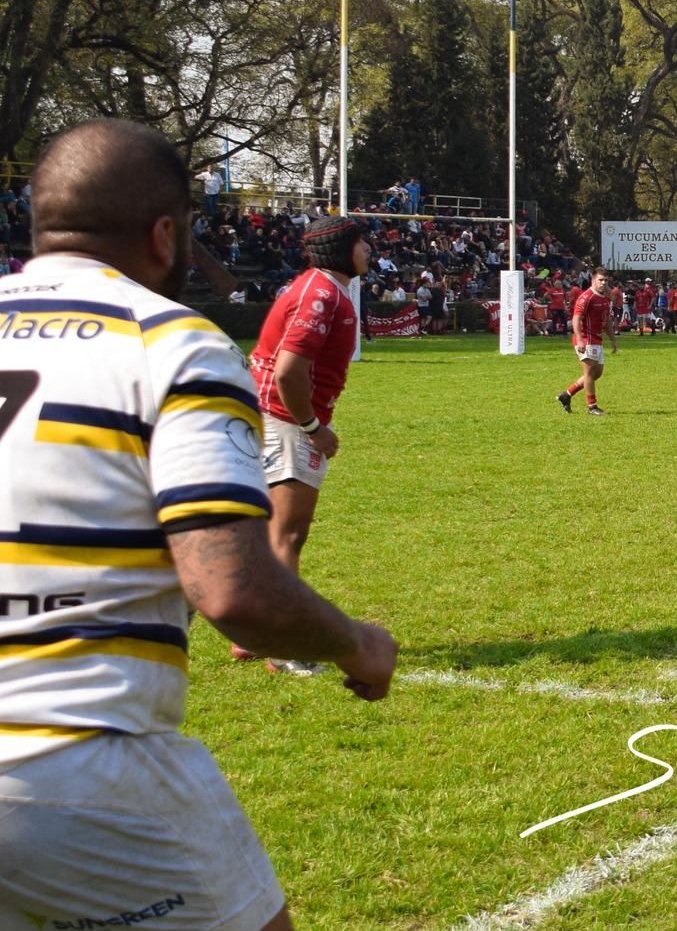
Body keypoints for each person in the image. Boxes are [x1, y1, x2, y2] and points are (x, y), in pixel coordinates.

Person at [0, 119, 395, 928]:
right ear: (165, 232)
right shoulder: (169, 342)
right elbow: (231, 586)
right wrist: (358, 642)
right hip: (73, 759)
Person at [245, 213, 369, 674]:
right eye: (362, 244)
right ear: (341, 248)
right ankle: (284, 646)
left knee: (269, 531)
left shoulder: (322, 287)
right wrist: (314, 427)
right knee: (288, 535)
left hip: (271, 414)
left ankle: (252, 635)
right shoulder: (320, 295)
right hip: (284, 419)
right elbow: (288, 371)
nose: (369, 252)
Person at [556, 269, 617, 415]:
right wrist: (580, 339)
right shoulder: (586, 297)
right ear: (593, 281)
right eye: (601, 280)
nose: (603, 283)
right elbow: (576, 319)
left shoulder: (605, 298)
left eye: (606, 280)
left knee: (597, 373)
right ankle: (592, 407)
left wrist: (613, 339)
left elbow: (607, 320)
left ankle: (566, 395)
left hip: (597, 339)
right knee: (589, 373)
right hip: (586, 339)